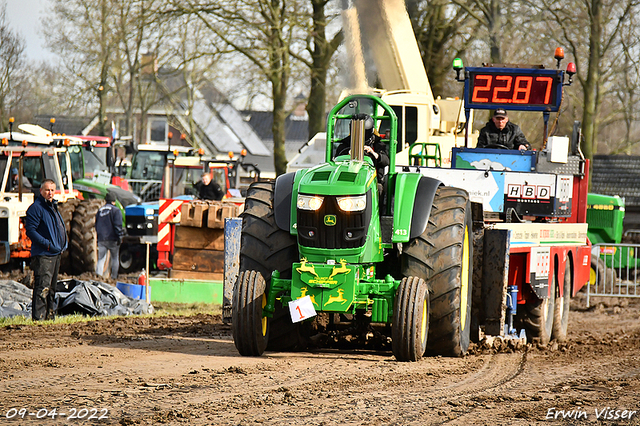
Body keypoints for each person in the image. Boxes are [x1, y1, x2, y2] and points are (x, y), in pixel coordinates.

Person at [24, 179, 68, 321]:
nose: (50, 193)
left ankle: (50, 318)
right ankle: (39, 319)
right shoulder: (36, 208)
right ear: (41, 191)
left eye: (52, 190)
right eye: (47, 190)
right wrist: (47, 244)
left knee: (52, 289)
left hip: (55, 254)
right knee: (42, 287)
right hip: (44, 254)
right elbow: (30, 231)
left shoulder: (52, 207)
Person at [335, 113, 390, 182]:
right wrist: (348, 153)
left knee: (379, 188)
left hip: (372, 181)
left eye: (362, 133)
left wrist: (374, 154)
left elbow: (386, 161)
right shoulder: (345, 145)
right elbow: (336, 160)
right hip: (348, 179)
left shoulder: (377, 144)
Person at [95, 191, 124, 280]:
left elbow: (96, 225)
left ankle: (99, 277)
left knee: (101, 259)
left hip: (102, 239)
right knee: (115, 258)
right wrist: (120, 237)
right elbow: (118, 225)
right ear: (114, 201)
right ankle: (114, 278)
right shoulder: (116, 210)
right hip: (113, 239)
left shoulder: (100, 211)